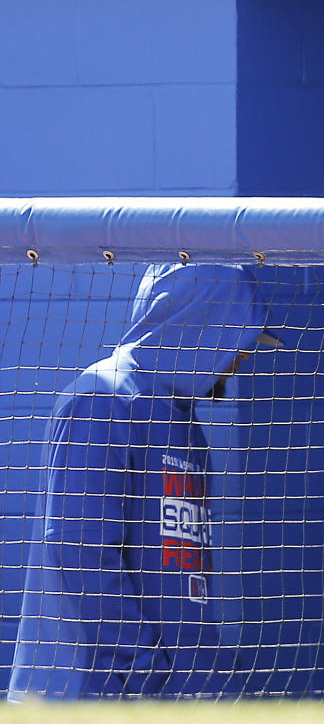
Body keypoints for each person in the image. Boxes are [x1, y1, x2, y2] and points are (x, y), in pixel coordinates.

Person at [8, 262, 282, 700]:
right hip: (97, 699)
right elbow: (81, 555)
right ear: (202, 323)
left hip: (169, 697)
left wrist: (208, 676)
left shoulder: (185, 423)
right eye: (241, 339)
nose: (244, 356)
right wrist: (149, 677)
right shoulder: (101, 398)